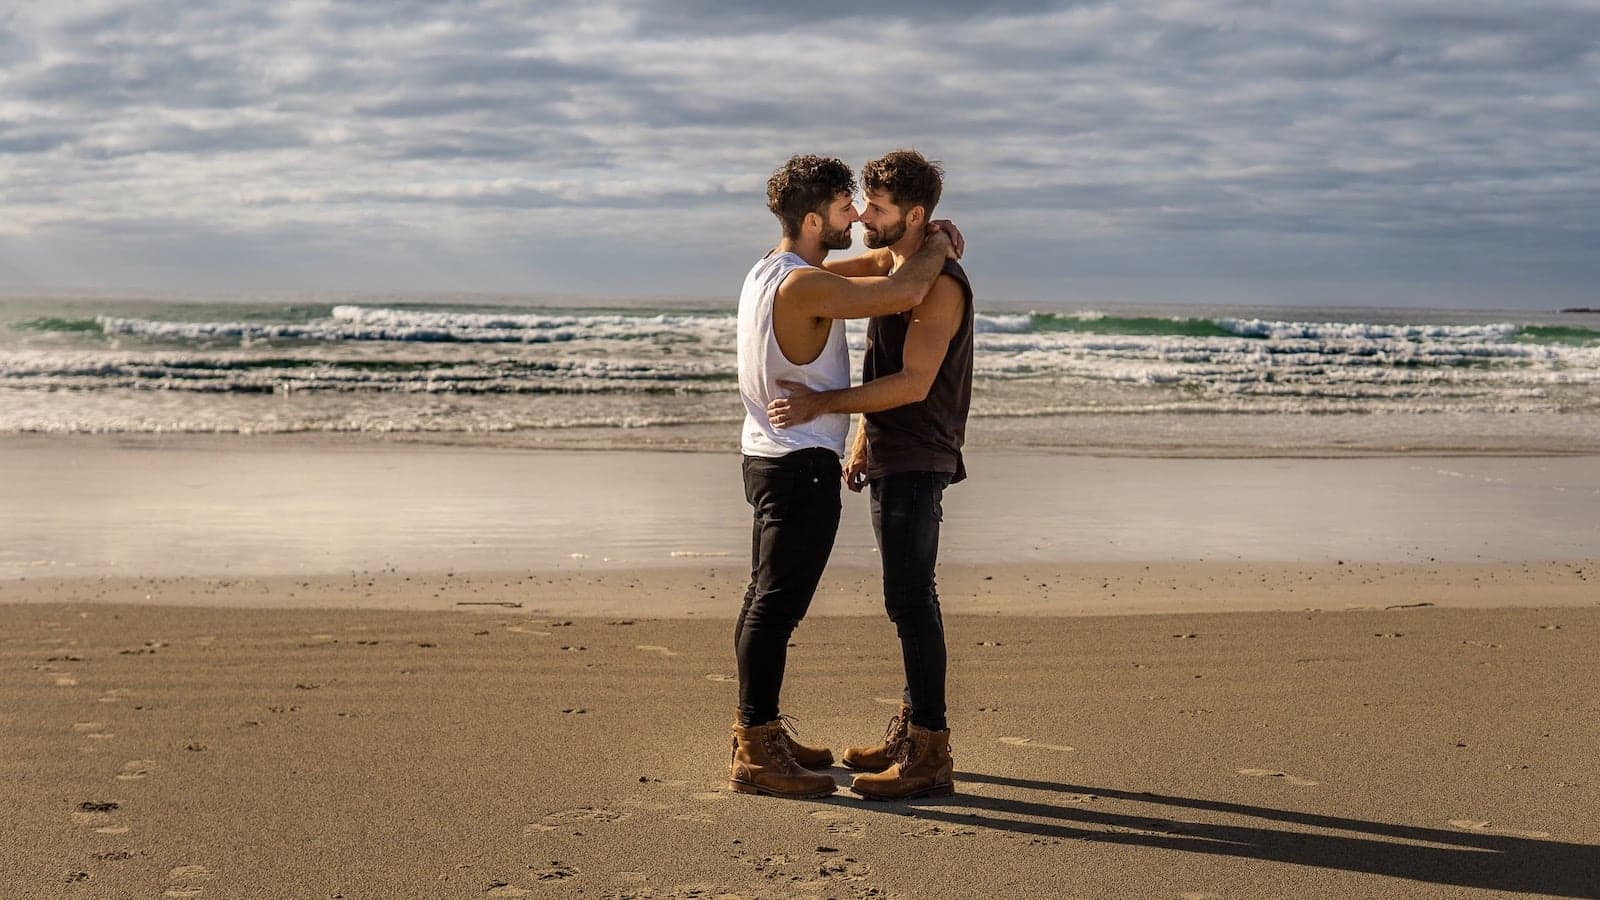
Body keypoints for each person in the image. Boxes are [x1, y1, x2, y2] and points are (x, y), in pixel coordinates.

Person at [730, 153, 959, 799]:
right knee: (775, 608)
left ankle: (762, 730)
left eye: (864, 206)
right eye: (842, 208)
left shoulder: (771, 269)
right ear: (811, 219)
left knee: (764, 601)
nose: (855, 215)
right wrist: (938, 239)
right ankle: (756, 746)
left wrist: (927, 240)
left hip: (767, 454)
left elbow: (889, 270)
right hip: (798, 460)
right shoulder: (805, 285)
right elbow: (902, 291)